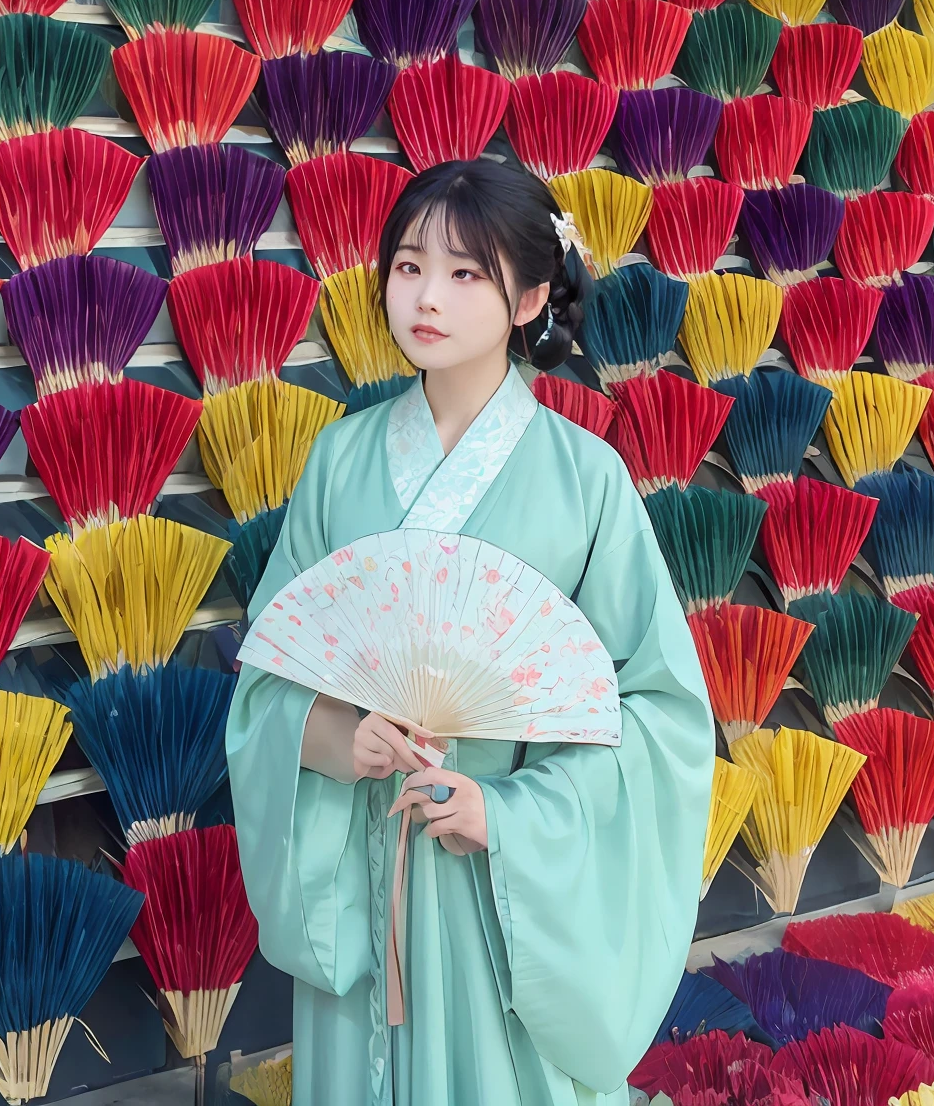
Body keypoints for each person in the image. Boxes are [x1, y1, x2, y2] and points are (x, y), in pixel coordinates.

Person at [226, 158, 715, 1106]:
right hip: (368, 869)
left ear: (531, 295)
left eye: (465, 273)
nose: (427, 298)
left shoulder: (588, 480)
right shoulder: (341, 460)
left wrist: (513, 817)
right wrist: (335, 737)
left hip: (498, 881)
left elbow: (656, 715)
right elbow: (268, 674)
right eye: (409, 267)